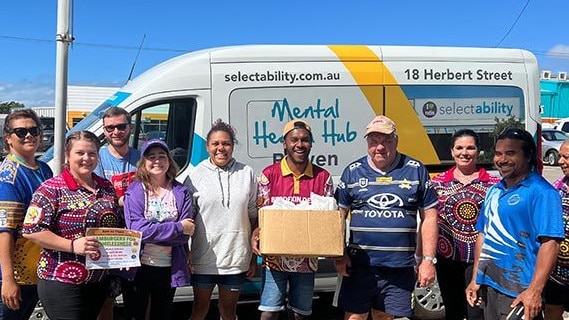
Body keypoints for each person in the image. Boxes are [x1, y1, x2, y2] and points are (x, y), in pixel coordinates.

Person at [334, 115, 438, 320]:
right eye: (373, 141)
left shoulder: (415, 170)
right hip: (359, 265)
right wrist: (339, 254)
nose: (379, 147)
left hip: (399, 266)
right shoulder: (353, 172)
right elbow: (338, 217)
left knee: (385, 317)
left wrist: (428, 261)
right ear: (367, 143)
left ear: (396, 141)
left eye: (386, 141)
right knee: (354, 317)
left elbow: (430, 218)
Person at [465, 127, 564, 320]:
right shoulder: (494, 190)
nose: (502, 159)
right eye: (498, 153)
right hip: (491, 286)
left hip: (520, 292)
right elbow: (483, 235)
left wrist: (534, 291)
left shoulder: (543, 193)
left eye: (511, 153)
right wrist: (476, 278)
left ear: (528, 156)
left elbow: (551, 243)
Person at [22, 130, 120, 320]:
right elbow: (31, 230)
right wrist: (72, 245)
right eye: (80, 153)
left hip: (97, 280)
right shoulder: (51, 189)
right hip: (61, 279)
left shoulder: (106, 187)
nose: (87, 158)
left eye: (92, 153)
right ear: (67, 156)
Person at [251, 119, 334, 320]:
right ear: (284, 143)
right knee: (269, 313)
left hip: (307, 261)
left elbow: (328, 220)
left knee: (300, 314)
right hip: (274, 260)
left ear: (311, 143)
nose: (299, 145)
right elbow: (262, 216)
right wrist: (256, 232)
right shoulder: (269, 175)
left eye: (305, 140)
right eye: (294, 139)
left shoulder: (323, 177)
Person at [184, 119, 258, 320]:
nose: (220, 148)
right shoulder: (195, 175)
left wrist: (252, 258)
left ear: (233, 146)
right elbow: (186, 219)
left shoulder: (247, 173)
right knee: (199, 311)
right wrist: (186, 252)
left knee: (228, 312)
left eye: (226, 143)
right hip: (203, 259)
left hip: (236, 258)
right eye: (215, 144)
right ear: (207, 146)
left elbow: (253, 218)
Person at [430, 129, 500, 320]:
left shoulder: (494, 185)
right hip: (447, 258)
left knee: (476, 312)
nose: (464, 152)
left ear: (478, 151)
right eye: (459, 148)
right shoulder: (437, 184)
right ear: (452, 151)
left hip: (481, 260)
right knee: (453, 311)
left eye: (470, 148)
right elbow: (429, 220)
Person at [122, 139, 195, 320]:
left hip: (169, 268)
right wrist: (177, 227)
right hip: (138, 267)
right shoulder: (135, 190)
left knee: (162, 315)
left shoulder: (181, 191)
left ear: (169, 160)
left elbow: (184, 237)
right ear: (143, 163)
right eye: (151, 156)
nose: (157, 161)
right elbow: (136, 231)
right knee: (134, 315)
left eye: (162, 156)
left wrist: (151, 233)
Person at [0, 109, 53, 320]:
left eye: (33, 130)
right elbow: (4, 232)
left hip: (35, 271)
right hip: (16, 275)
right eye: (21, 131)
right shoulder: (9, 176)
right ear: (8, 138)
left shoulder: (43, 169)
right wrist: (8, 280)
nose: (29, 135)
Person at [94, 107, 141, 320]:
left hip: (137, 237)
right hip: (108, 237)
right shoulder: (97, 158)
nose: (116, 132)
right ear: (104, 131)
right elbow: (97, 196)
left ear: (130, 128)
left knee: (139, 297)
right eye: (110, 127)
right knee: (106, 299)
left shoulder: (141, 159)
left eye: (121, 126)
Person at [544, 140, 569, 320]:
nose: (560, 161)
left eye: (566, 157)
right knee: (552, 312)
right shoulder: (555, 190)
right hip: (556, 271)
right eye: (560, 156)